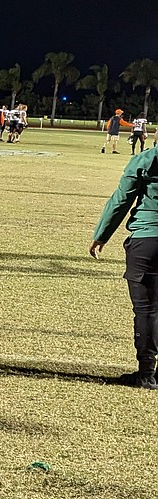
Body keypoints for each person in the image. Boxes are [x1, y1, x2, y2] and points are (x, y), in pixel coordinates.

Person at [90, 146, 158, 389]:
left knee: (147, 310)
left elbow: (121, 199)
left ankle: (146, 372)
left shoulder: (145, 160)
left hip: (147, 239)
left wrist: (101, 235)